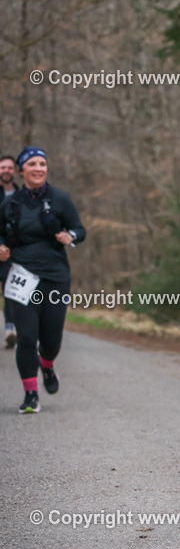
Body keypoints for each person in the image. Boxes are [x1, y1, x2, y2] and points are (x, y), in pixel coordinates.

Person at [0, 147, 86, 413]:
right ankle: (30, 395)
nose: (39, 168)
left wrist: (70, 236)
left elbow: (80, 230)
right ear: (22, 170)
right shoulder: (10, 204)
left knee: (51, 339)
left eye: (43, 164)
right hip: (21, 274)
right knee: (26, 336)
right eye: (33, 164)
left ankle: (47, 366)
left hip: (55, 277)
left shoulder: (60, 198)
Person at [0, 154, 19, 348]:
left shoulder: (20, 195)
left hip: (9, 253)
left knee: (9, 292)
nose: (6, 171)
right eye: (2, 167)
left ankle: (10, 330)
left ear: (15, 171)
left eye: (9, 168)